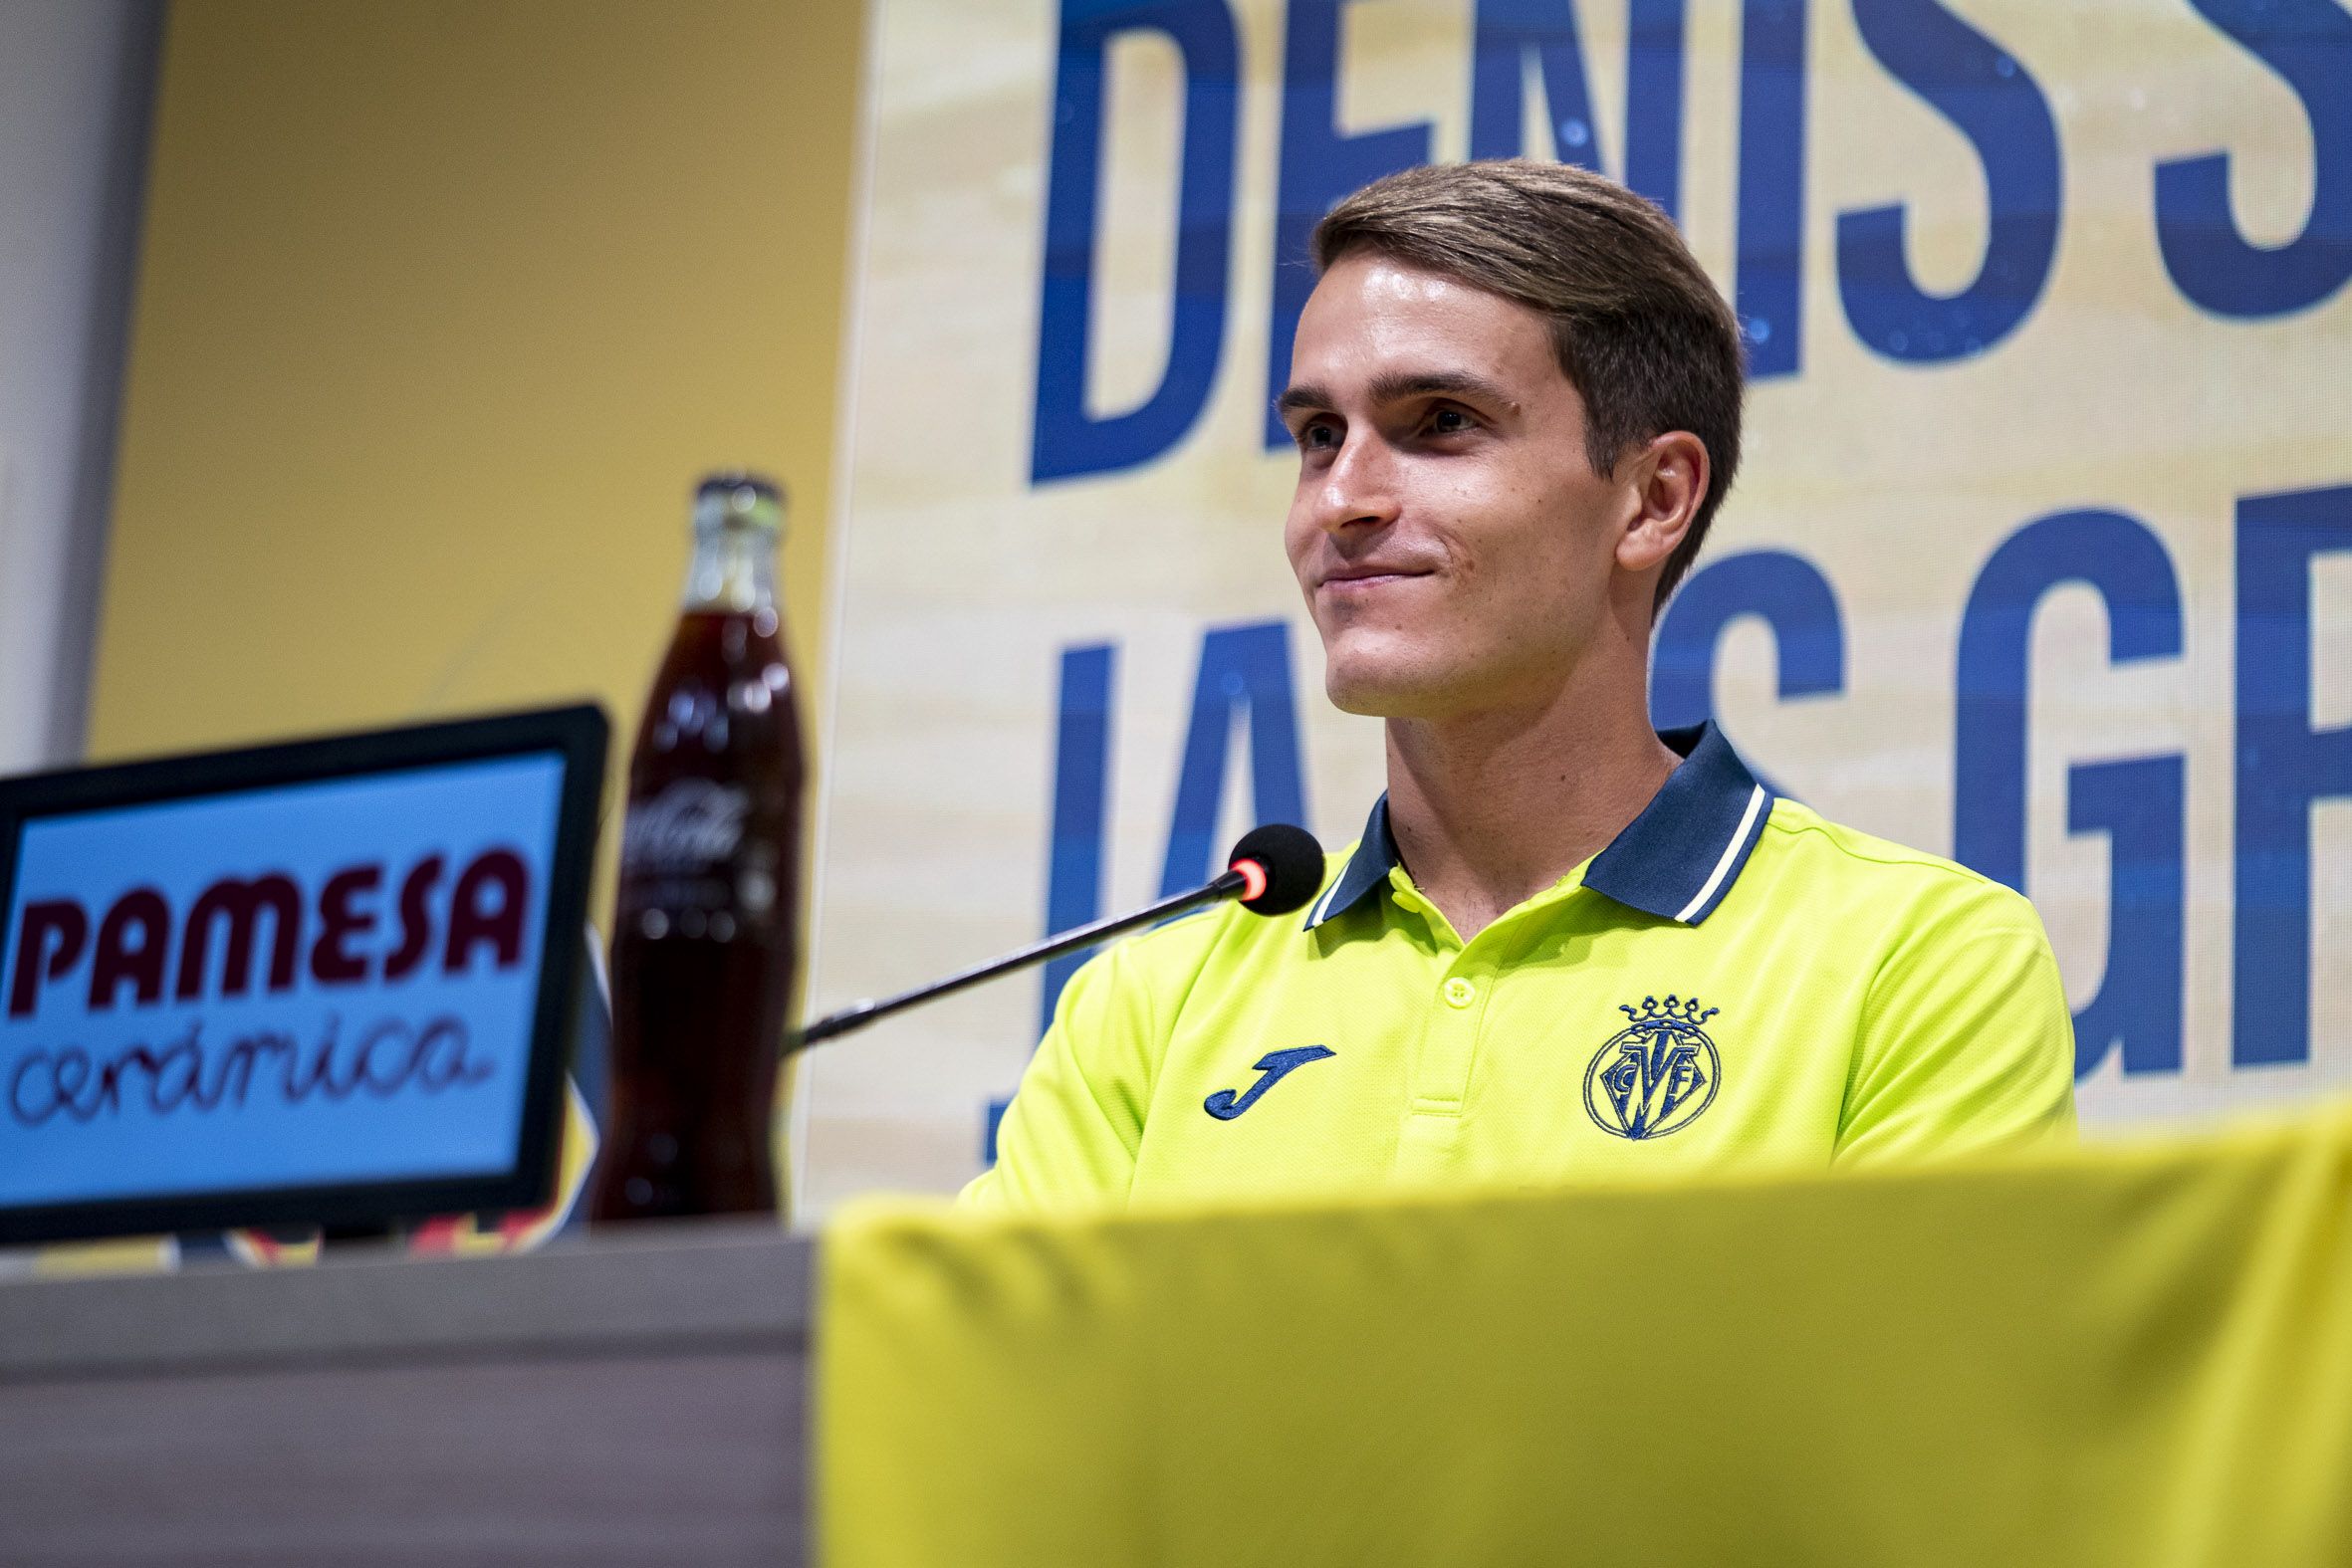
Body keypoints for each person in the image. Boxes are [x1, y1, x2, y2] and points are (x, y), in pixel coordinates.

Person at [965, 159, 2074, 1212]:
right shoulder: (1148, 1009)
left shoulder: (1918, 964)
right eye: (1318, 435)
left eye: (1441, 423)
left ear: (1653, 498)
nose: (1341, 498)